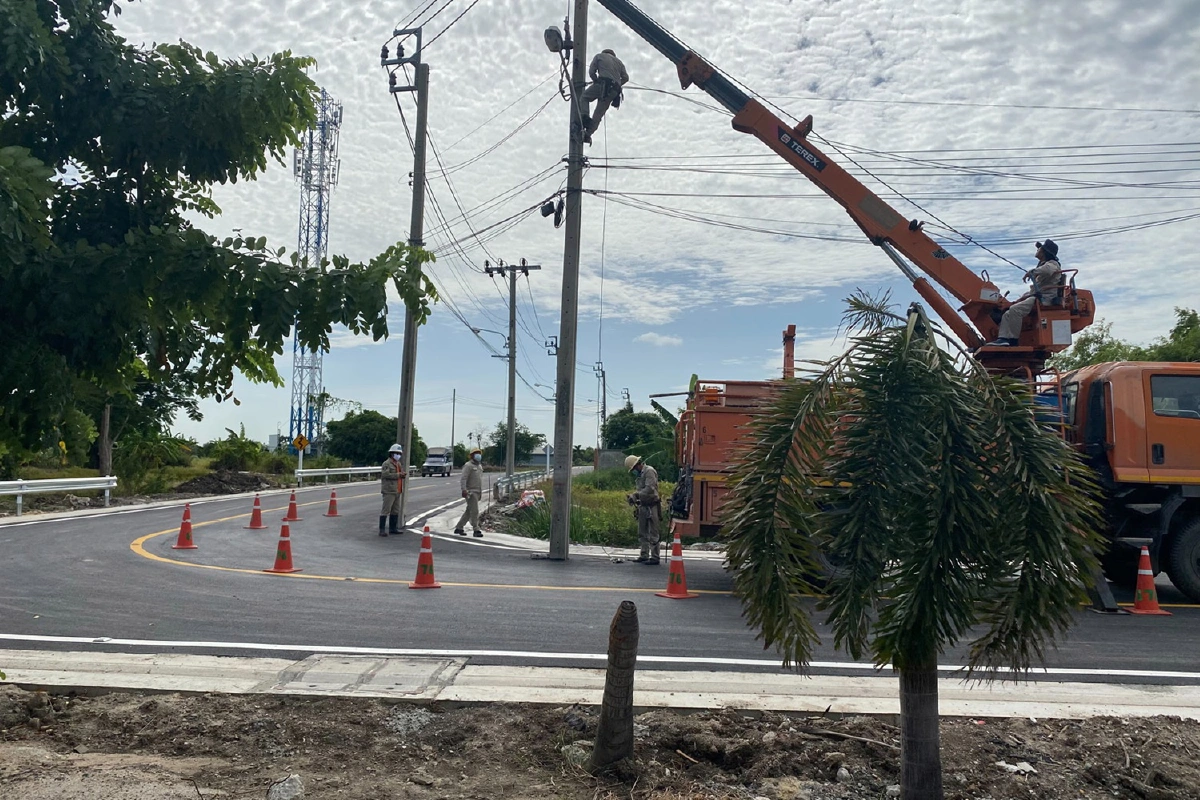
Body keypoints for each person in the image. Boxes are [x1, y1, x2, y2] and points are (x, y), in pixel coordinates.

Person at [986, 240, 1062, 346]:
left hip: (1044, 298)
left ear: (1045, 252)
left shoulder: (1053, 264)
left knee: (1015, 310)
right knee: (1007, 314)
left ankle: (1013, 340)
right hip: (1037, 296)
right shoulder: (1045, 265)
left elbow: (1048, 270)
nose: (1037, 249)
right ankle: (1003, 339)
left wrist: (1032, 272)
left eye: (1040, 248)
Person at [579, 48, 628, 145]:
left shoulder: (599, 56)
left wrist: (595, 80)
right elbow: (626, 78)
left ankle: (584, 117)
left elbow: (592, 71)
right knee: (598, 114)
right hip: (614, 91)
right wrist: (618, 84)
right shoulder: (619, 63)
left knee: (584, 97)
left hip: (602, 84)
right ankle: (588, 134)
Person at [625, 454, 661, 565]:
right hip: (643, 505)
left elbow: (650, 488)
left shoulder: (649, 471)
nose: (634, 472)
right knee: (642, 532)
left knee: (653, 532)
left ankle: (655, 557)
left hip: (652, 505)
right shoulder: (640, 475)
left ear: (637, 465)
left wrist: (636, 495)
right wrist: (635, 498)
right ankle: (644, 554)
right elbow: (642, 490)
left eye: (633, 469)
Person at [455, 447, 484, 538]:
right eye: (476, 453)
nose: (478, 455)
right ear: (471, 455)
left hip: (478, 491)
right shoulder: (468, 465)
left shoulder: (479, 466)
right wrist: (464, 490)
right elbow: (463, 478)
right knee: (474, 511)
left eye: (479, 453)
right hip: (470, 492)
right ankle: (476, 529)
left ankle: (459, 527)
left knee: (469, 511)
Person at [379, 443, 405, 537]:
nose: (398, 455)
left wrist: (402, 475)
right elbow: (385, 475)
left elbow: (399, 474)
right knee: (386, 510)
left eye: (399, 453)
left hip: (397, 490)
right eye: (396, 453)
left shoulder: (398, 464)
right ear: (392, 453)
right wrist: (398, 475)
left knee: (395, 510)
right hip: (389, 490)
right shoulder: (386, 464)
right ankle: (382, 530)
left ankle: (393, 528)